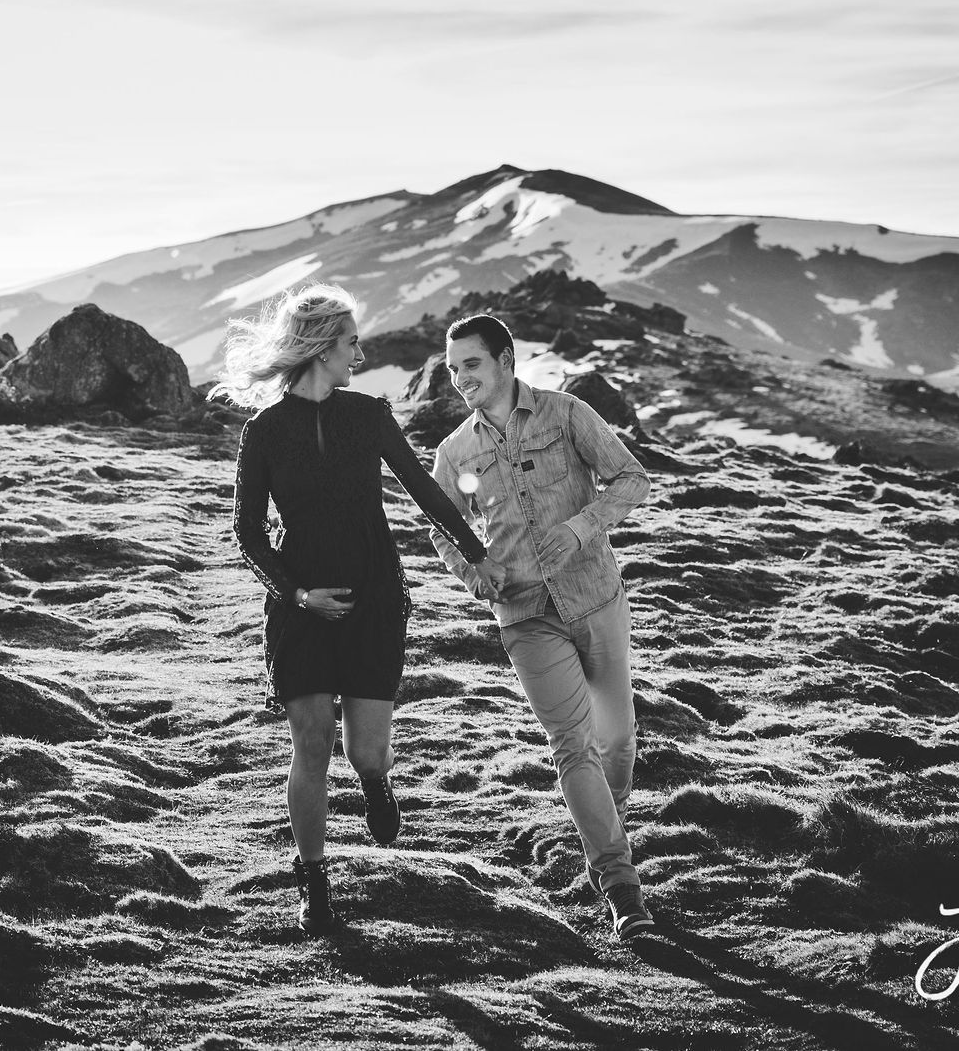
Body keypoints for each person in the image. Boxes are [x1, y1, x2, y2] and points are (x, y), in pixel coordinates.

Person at [215, 285, 500, 936]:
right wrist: (296, 594)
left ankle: (375, 782)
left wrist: (477, 553)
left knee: (367, 750)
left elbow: (425, 489)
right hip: (301, 604)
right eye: (350, 342)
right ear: (320, 348)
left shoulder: (369, 414)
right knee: (310, 743)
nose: (360, 353)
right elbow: (248, 531)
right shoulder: (263, 431)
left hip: (374, 595)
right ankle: (314, 882)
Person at [426, 313, 657, 940]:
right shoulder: (456, 452)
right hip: (525, 617)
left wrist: (581, 528)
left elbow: (632, 478)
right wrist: (476, 575)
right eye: (452, 369)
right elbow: (443, 527)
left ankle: (606, 825)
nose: (459, 378)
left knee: (617, 748)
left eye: (470, 363)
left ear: (504, 359)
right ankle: (620, 887)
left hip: (595, 599)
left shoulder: (566, 413)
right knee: (571, 745)